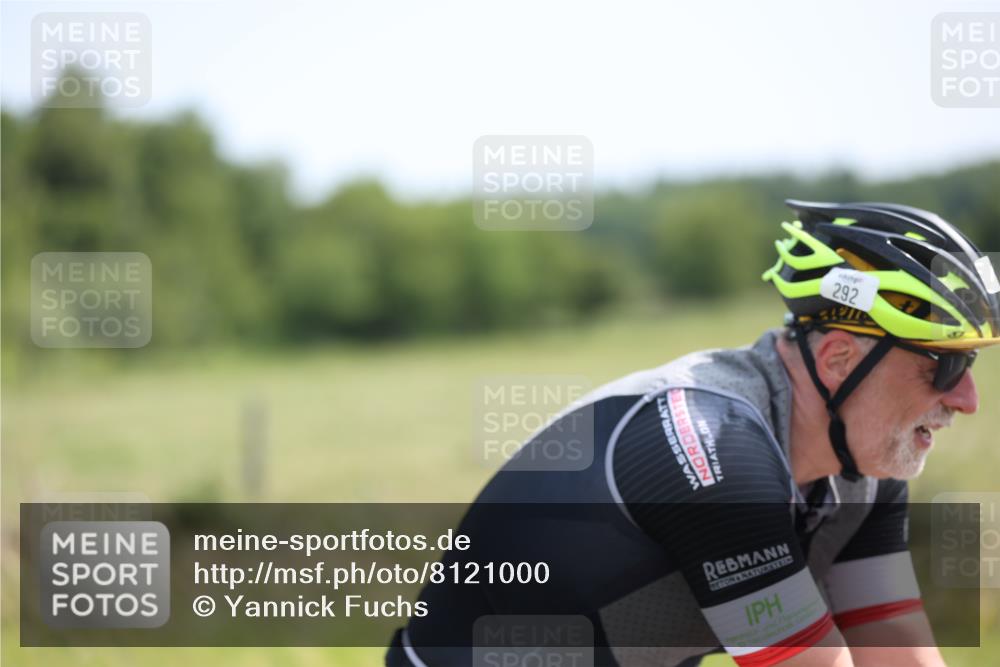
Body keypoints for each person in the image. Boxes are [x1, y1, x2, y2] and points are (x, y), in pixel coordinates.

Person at [386, 200, 999, 667]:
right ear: (839, 359)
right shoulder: (714, 444)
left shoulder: (861, 471)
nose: (966, 400)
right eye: (942, 366)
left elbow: (896, 651)